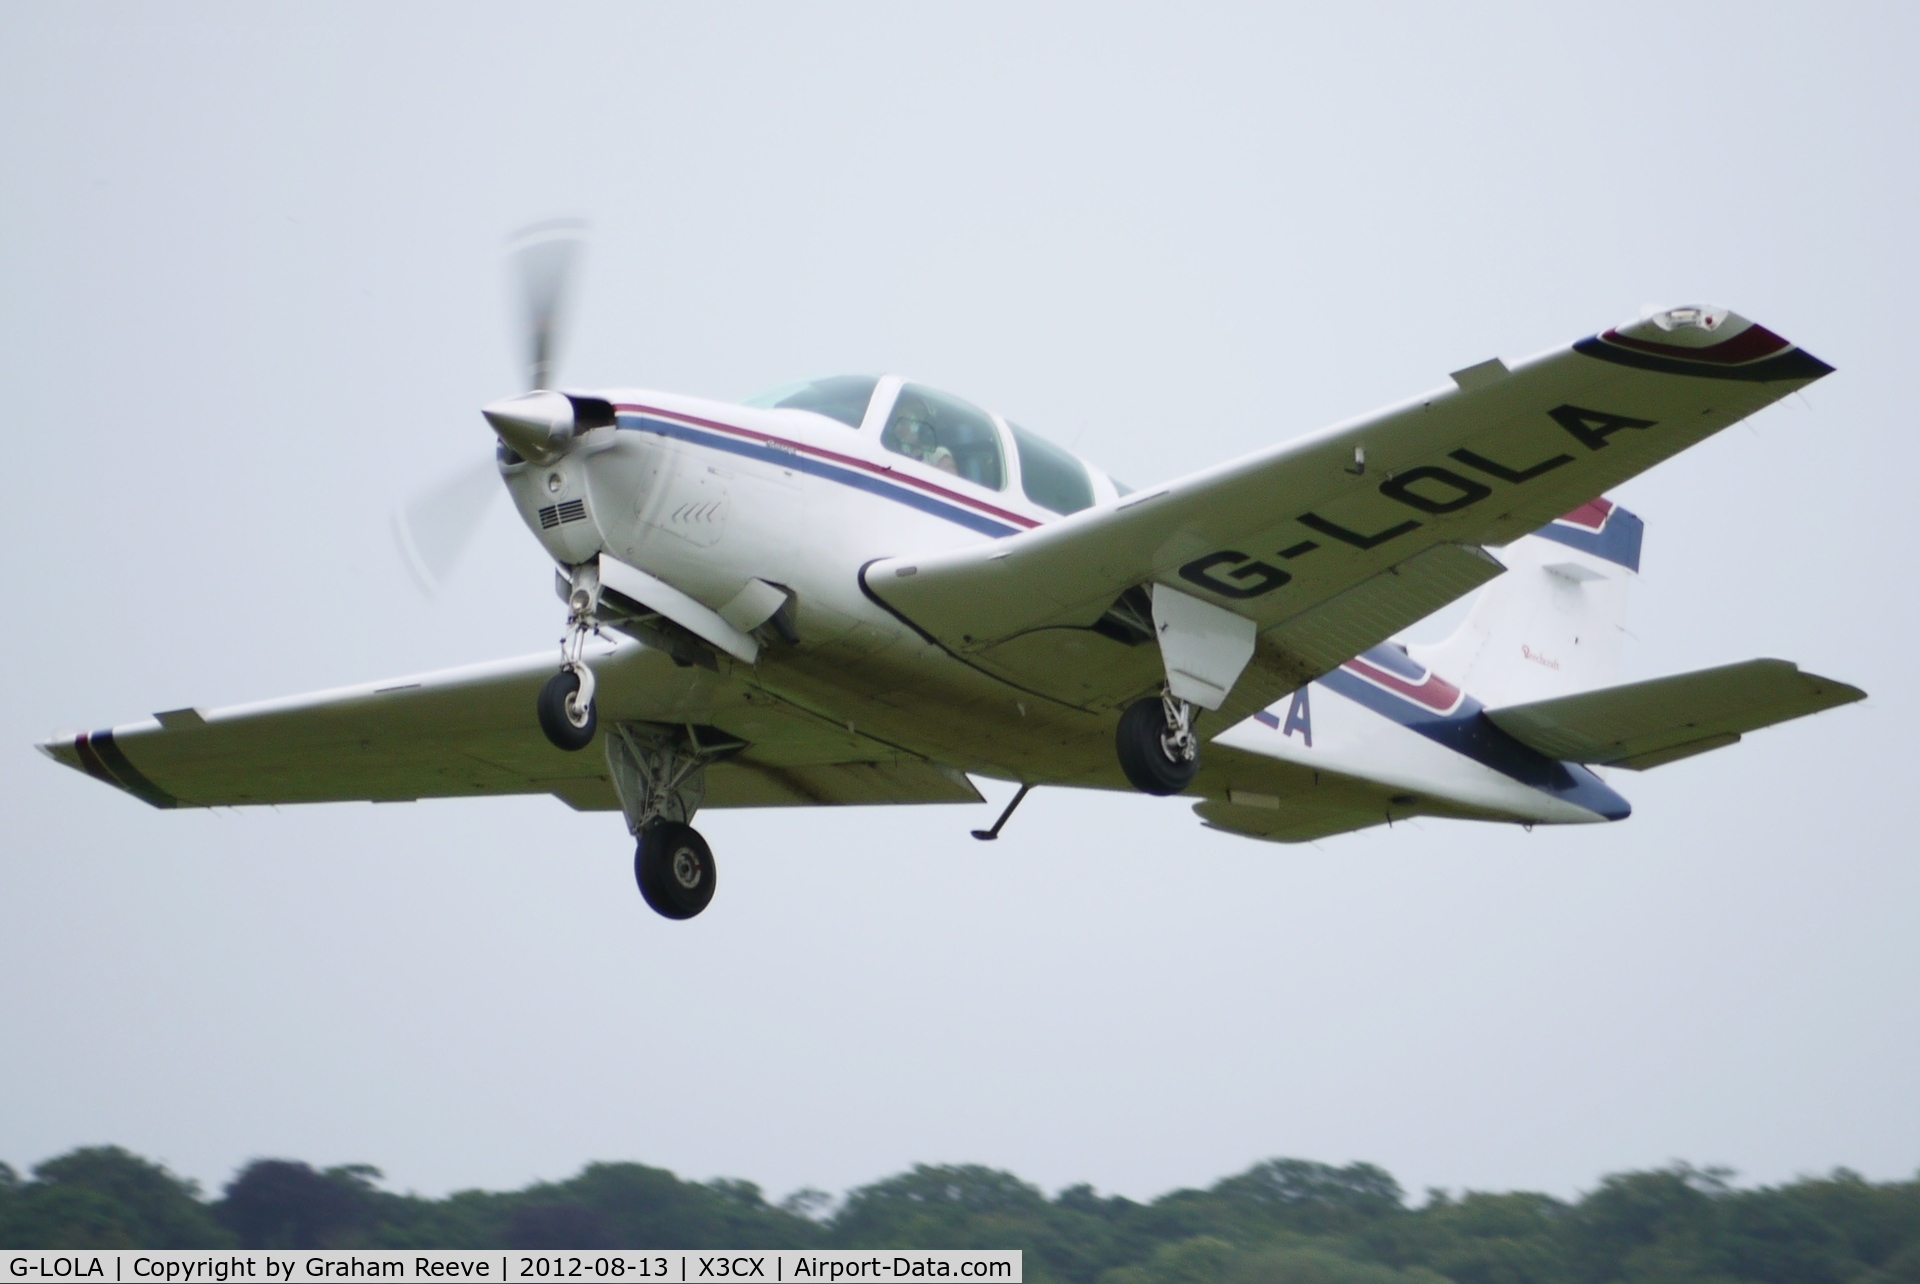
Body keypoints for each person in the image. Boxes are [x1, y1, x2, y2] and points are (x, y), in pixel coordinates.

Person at [887, 396, 958, 474]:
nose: (896, 429)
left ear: (921, 428)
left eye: (903, 423)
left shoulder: (938, 455)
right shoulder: (890, 452)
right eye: (895, 423)